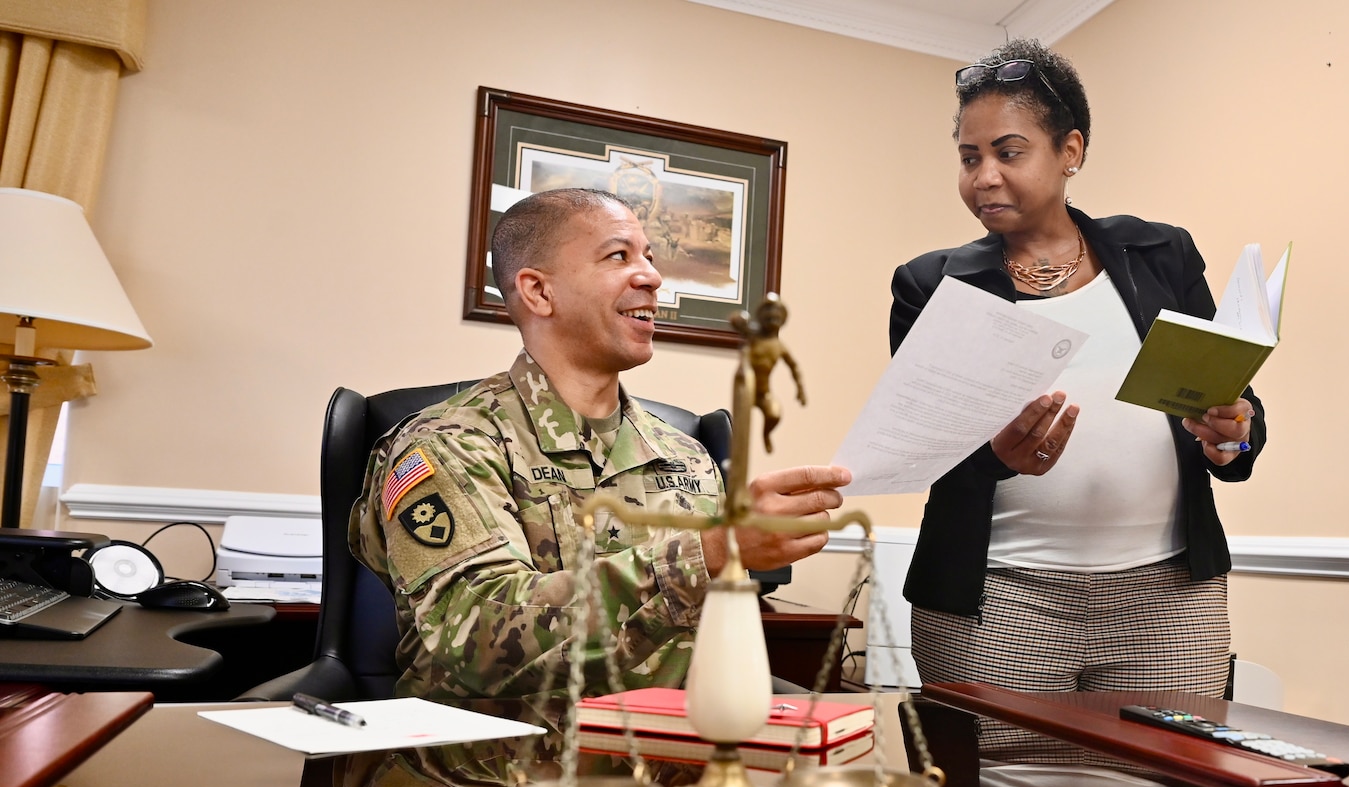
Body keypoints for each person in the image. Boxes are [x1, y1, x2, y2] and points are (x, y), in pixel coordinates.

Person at [351, 187, 849, 705]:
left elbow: (714, 641)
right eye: (619, 256)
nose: (653, 277)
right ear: (539, 292)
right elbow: (477, 638)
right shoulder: (447, 446)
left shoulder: (687, 455)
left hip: (666, 764)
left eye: (650, 258)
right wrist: (712, 552)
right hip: (494, 770)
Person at [891, 40, 1265, 702]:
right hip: (995, 601)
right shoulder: (930, 284)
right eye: (969, 157)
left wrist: (1232, 434)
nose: (983, 176)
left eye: (1008, 152)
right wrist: (994, 456)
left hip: (1169, 600)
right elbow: (924, 447)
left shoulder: (1161, 254)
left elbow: (1230, 404)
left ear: (1070, 151)